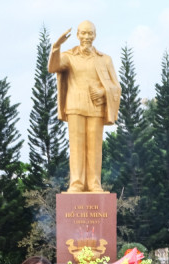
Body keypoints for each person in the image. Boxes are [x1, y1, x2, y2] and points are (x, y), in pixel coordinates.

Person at [48, 21, 122, 193]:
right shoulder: (69, 56)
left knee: (95, 147)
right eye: (83, 33)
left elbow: (116, 86)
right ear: (78, 35)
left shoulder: (104, 59)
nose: (87, 37)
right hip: (75, 106)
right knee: (76, 147)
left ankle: (94, 183)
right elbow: (53, 68)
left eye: (90, 33)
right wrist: (56, 47)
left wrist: (104, 91)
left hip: (96, 108)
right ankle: (77, 183)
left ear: (95, 35)